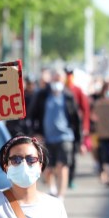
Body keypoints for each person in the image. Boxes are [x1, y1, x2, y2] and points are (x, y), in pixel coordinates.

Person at [30, 70, 82, 200]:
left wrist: (79, 140)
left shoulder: (68, 96)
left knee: (62, 165)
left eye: (60, 80)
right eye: (55, 79)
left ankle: (61, 195)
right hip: (47, 137)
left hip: (65, 137)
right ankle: (52, 188)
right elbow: (33, 114)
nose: (57, 82)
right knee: (48, 167)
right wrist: (36, 132)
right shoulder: (42, 95)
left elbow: (76, 119)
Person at [91, 81, 109, 185]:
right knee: (105, 156)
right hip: (102, 133)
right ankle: (108, 176)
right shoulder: (98, 103)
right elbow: (93, 116)